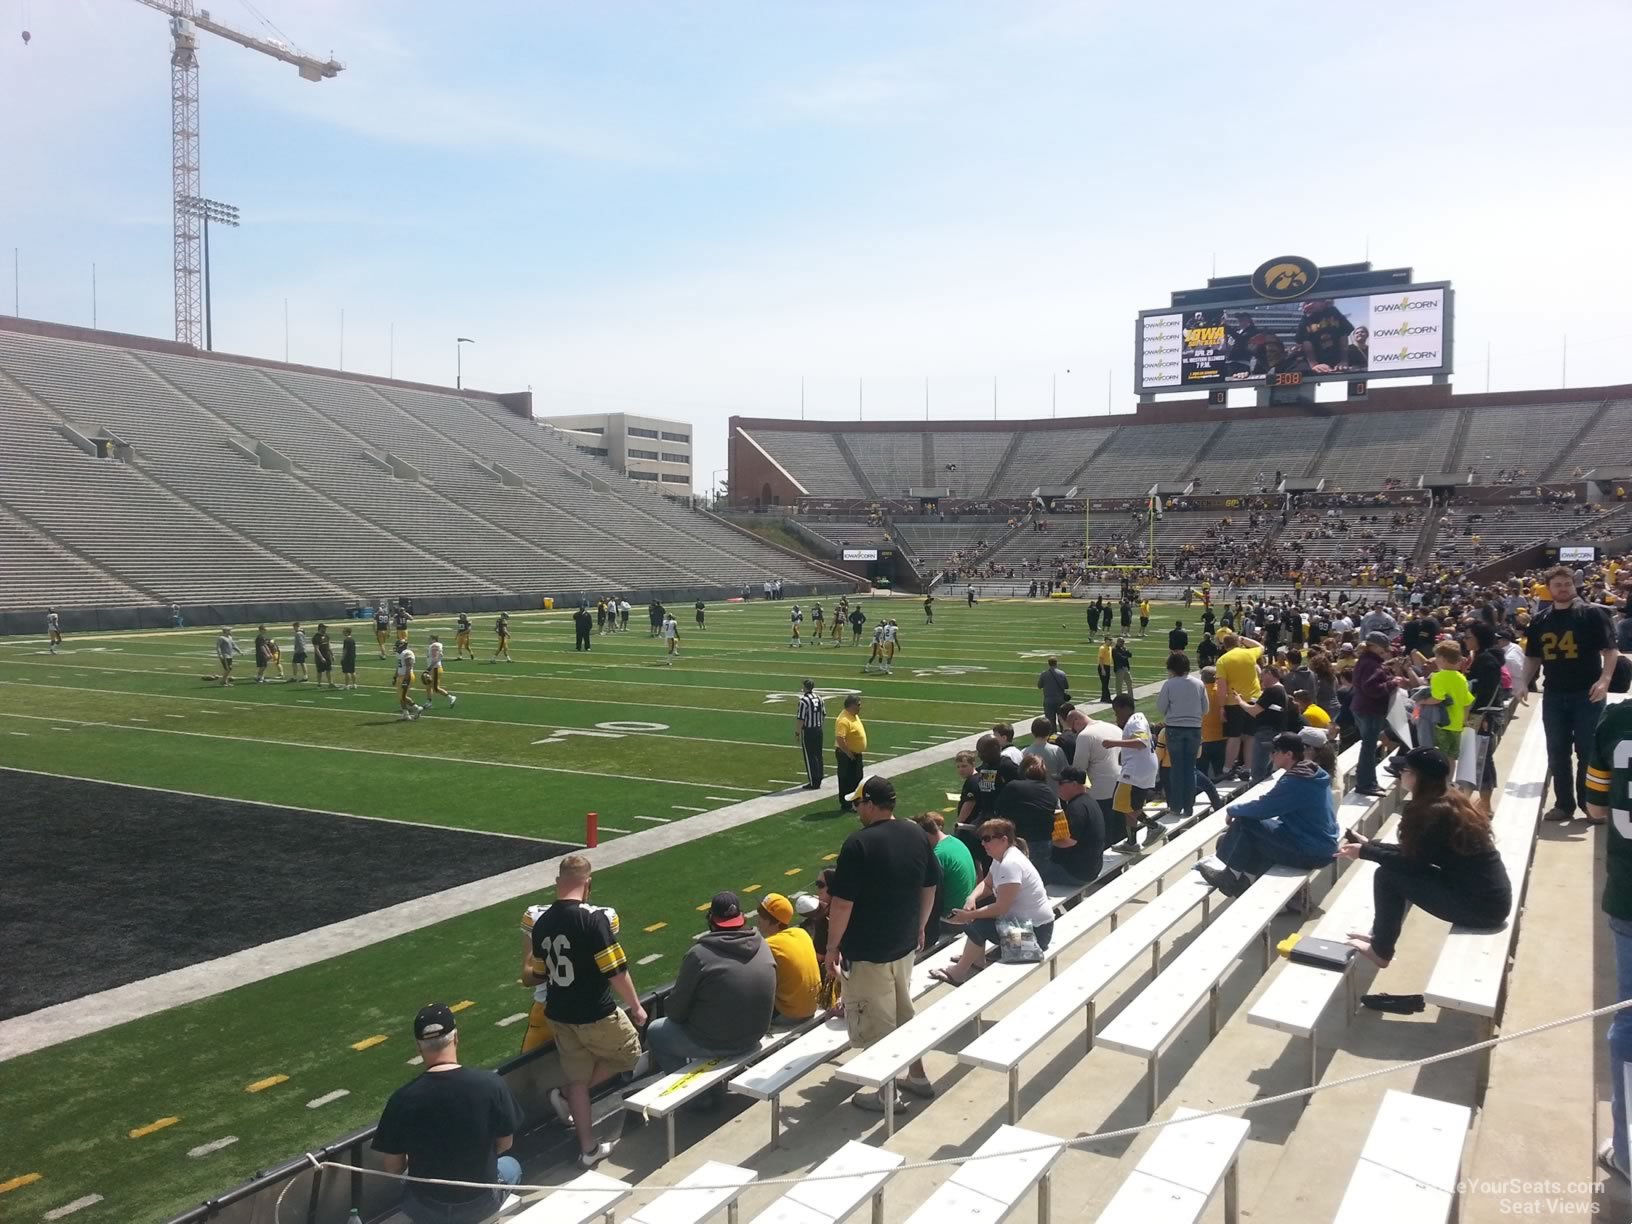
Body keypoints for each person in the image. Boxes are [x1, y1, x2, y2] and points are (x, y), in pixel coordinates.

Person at [824, 776, 940, 1111]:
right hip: (904, 943)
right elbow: (929, 886)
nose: (857, 809)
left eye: (859, 803)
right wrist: (919, 927)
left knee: (877, 1023)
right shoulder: (916, 832)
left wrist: (832, 948)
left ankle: (885, 1093)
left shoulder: (858, 844)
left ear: (871, 804)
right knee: (904, 1010)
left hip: (869, 951)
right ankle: (916, 1075)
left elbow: (843, 904)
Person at [1342, 749, 1509, 969]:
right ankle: (1380, 938)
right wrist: (1370, 845)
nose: (1400, 775)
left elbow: (1411, 864)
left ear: (1416, 776)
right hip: (1487, 900)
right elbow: (1417, 853)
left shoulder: (1431, 812)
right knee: (1390, 873)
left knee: (1387, 876)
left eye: (1404, 770)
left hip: (1480, 909)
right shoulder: (1449, 800)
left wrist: (1365, 852)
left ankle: (1381, 949)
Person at [530, 855, 647, 1167]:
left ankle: (588, 1147)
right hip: (595, 1011)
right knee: (630, 1053)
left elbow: (539, 973)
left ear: (557, 882)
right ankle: (567, 1097)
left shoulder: (541, 923)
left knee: (578, 1079)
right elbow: (616, 971)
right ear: (588, 883)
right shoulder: (594, 918)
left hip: (559, 1014)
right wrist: (636, 1006)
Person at [372, 1003, 525, 1224]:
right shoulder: (491, 1085)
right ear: (455, 1037)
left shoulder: (402, 1099)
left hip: (426, 1207)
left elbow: (393, 1167)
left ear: (418, 1047)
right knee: (511, 1166)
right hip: (479, 1202)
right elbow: (505, 1143)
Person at [1523, 565, 1618, 823]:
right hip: (1553, 693)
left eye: (1567, 584)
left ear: (1574, 585)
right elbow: (1532, 656)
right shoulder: (1541, 619)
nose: (1563, 589)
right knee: (1557, 751)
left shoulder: (1592, 614)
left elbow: (1610, 651)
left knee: (1588, 750)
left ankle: (1590, 804)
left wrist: (1605, 679)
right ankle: (1564, 804)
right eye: (1557, 585)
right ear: (1548, 588)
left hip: (1587, 692)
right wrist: (1523, 682)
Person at [1195, 733, 1339, 896]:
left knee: (1245, 822)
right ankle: (1243, 879)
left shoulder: (1297, 780)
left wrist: (1232, 810)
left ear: (1289, 754)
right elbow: (1268, 804)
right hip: (1317, 844)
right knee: (1252, 829)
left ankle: (1230, 876)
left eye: (1275, 751)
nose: (1271, 755)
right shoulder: (1309, 772)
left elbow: (1264, 807)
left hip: (1311, 851)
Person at [646, 892, 775, 1074]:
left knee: (656, 1031)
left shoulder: (699, 955)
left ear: (711, 921)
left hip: (717, 1042)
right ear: (742, 918)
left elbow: (675, 1011)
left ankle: (693, 1096)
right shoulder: (762, 944)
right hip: (755, 1035)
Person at [1586, 698, 1632, 1181]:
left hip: (1629, 891)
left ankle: (1628, 1151)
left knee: (1630, 1023)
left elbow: (1596, 805)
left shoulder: (1618, 718)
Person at [933, 818, 1055, 985]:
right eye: (982, 839)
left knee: (976, 924)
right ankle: (976, 960)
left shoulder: (1010, 864)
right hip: (1025, 927)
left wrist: (968, 915)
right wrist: (972, 898)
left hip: (1035, 938)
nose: (983, 843)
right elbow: (988, 884)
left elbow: (1001, 908)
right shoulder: (1001, 858)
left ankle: (959, 972)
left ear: (1004, 840)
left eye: (988, 839)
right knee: (977, 917)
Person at [754, 892, 822, 1024]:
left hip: (790, 1014)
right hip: (813, 1006)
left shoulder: (769, 945)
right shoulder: (801, 933)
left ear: (776, 922)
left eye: (762, 916)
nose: (758, 919)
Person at [1350, 631, 1404, 797]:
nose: (1385, 651)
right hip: (1369, 710)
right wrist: (1392, 683)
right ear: (1372, 646)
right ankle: (1366, 783)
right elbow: (1372, 688)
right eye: (1382, 648)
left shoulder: (1367, 661)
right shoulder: (1371, 664)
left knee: (1369, 747)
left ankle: (1367, 781)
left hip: (1364, 708)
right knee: (1369, 748)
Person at [1157, 652, 1209, 818]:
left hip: (1174, 728)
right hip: (1194, 728)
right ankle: (1189, 806)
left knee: (1177, 769)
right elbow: (1206, 709)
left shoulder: (1169, 684)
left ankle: (1176, 805)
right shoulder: (1198, 683)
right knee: (1190, 768)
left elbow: (1161, 707)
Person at [914, 812, 978, 946]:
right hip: (966, 913)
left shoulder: (937, 856)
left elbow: (928, 892)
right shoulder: (956, 842)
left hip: (950, 921)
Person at [1106, 693, 1160, 849]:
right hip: (1143, 768)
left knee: (1122, 803)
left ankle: (1154, 826)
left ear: (1124, 708)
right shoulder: (1137, 719)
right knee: (1132, 805)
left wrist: (1113, 743)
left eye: (1117, 712)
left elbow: (1141, 742)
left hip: (1136, 770)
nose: (1116, 716)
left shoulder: (1135, 721)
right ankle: (1131, 842)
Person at [1214, 632, 1265, 780]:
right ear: (1239, 643)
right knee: (1250, 736)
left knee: (1234, 736)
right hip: (1253, 700)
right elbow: (1260, 646)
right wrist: (1244, 639)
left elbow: (1222, 687)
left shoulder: (1223, 660)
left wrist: (1222, 707)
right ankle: (1248, 768)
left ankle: (1227, 768)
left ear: (1224, 646)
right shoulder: (1249, 653)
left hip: (1233, 701)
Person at [995, 754, 1060, 867]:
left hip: (1019, 842)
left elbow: (998, 810)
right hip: (1043, 843)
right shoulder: (1049, 792)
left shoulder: (1013, 786)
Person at [1050, 766, 1107, 887]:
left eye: (1061, 783)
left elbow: (1068, 841)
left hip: (1078, 873)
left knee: (1036, 870)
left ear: (1074, 784)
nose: (1058, 787)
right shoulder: (1089, 801)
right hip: (1092, 867)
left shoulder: (1076, 808)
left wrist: (1047, 842)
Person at [1416, 640, 1472, 761]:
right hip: (1457, 723)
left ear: (1442, 659)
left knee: (1441, 755)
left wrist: (1422, 701)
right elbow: (1467, 702)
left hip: (1443, 723)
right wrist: (1464, 720)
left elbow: (1437, 698)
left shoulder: (1438, 677)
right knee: (1452, 755)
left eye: (1436, 656)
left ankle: (1442, 779)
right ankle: (1449, 779)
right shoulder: (1461, 677)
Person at [834, 694, 866, 813]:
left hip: (854, 754)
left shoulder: (853, 716)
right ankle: (847, 804)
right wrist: (848, 753)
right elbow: (840, 738)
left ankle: (854, 803)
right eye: (858, 705)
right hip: (847, 755)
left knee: (857, 779)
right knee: (847, 779)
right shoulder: (843, 720)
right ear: (851, 705)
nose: (860, 707)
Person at [955, 746, 1000, 829]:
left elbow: (969, 804)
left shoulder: (971, 781)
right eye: (958, 767)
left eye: (964, 766)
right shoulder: (982, 776)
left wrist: (959, 822)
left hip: (971, 824)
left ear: (973, 764)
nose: (961, 770)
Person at [795, 678, 825, 790]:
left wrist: (797, 732)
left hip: (809, 731)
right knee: (818, 754)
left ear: (806, 687)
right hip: (818, 729)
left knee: (810, 755)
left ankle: (813, 781)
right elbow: (823, 714)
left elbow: (800, 718)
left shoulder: (803, 701)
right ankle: (819, 777)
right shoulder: (819, 698)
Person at [1199, 665, 1227, 780]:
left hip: (1203, 738)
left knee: (1201, 774)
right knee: (1220, 774)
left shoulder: (1199, 693)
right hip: (1221, 737)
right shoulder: (1222, 692)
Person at [1020, 717, 1067, 781]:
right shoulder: (1057, 751)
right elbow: (1065, 774)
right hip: (1054, 789)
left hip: (1032, 790)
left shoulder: (1024, 752)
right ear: (1049, 732)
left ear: (1032, 732)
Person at [422, 634, 457, 710]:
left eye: (430, 639)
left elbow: (435, 657)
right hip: (433, 668)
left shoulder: (435, 645)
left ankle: (450, 697)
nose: (428, 640)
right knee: (428, 686)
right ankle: (429, 702)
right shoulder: (435, 645)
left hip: (435, 668)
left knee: (435, 688)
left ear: (433, 639)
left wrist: (428, 668)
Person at [1037, 656, 1070, 725]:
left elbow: (1039, 686)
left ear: (1048, 664)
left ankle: (1052, 735)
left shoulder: (1044, 674)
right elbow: (1066, 686)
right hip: (1060, 700)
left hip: (1048, 701)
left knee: (1050, 721)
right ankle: (1063, 734)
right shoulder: (1062, 673)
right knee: (1062, 720)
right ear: (1056, 663)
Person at [395, 642, 422, 720]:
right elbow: (398, 667)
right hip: (400, 676)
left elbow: (408, 668)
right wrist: (395, 676)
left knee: (403, 696)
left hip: (406, 676)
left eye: (397, 646)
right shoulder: (400, 654)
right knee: (400, 696)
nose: (396, 647)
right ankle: (405, 714)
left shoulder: (407, 653)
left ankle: (417, 708)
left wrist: (406, 680)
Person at [312, 623, 335, 689]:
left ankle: (330, 683)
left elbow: (329, 646)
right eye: (324, 628)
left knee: (329, 670)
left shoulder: (327, 636)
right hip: (320, 657)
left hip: (327, 655)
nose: (325, 629)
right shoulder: (316, 637)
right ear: (320, 628)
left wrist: (332, 655)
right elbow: (316, 648)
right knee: (320, 671)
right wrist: (321, 657)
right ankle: (319, 684)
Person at [1097, 636, 1114, 704]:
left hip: (1107, 666)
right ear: (1106, 640)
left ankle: (1103, 698)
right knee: (1105, 683)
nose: (1111, 641)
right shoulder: (1102, 648)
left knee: (1105, 683)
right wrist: (1102, 669)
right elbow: (1101, 659)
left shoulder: (1109, 647)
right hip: (1103, 666)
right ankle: (1107, 698)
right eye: (1109, 640)